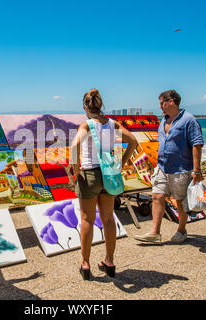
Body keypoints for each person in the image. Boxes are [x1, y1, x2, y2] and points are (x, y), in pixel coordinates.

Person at [71, 88, 138, 280]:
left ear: (86, 106)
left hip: (89, 175)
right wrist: (122, 162)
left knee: (87, 220)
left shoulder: (86, 125)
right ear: (100, 105)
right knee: (108, 218)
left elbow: (74, 146)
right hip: (109, 174)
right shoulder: (112, 124)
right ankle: (109, 261)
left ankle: (85, 264)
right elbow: (133, 141)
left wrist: (75, 168)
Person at [135, 90, 204, 244]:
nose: (160, 107)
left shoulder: (188, 120)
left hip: (180, 168)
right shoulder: (163, 121)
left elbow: (197, 144)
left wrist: (196, 169)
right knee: (157, 196)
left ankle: (181, 230)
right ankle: (155, 233)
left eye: (162, 103)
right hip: (162, 167)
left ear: (171, 101)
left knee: (179, 201)